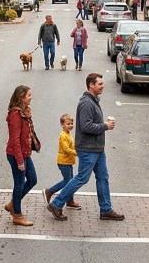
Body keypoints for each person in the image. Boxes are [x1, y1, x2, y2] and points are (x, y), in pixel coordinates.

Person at [47, 74, 124, 221]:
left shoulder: (93, 101)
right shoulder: (86, 103)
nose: (103, 86)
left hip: (97, 149)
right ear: (91, 85)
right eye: (100, 84)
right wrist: (105, 126)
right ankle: (57, 204)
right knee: (82, 178)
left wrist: (103, 127)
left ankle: (106, 209)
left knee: (103, 178)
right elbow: (86, 125)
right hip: (88, 149)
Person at [5, 85, 38, 226]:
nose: (31, 97)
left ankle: (12, 204)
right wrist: (19, 161)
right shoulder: (15, 115)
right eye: (29, 95)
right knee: (19, 184)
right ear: (21, 97)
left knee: (32, 179)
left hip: (25, 153)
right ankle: (17, 215)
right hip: (16, 154)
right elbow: (15, 139)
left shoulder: (24, 112)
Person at [43, 114, 81, 211]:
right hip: (63, 162)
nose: (70, 125)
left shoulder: (68, 133)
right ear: (62, 125)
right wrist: (77, 153)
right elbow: (66, 149)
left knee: (71, 181)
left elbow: (72, 146)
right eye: (68, 124)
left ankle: (70, 201)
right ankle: (49, 191)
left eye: (72, 123)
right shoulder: (63, 135)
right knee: (67, 182)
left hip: (68, 162)